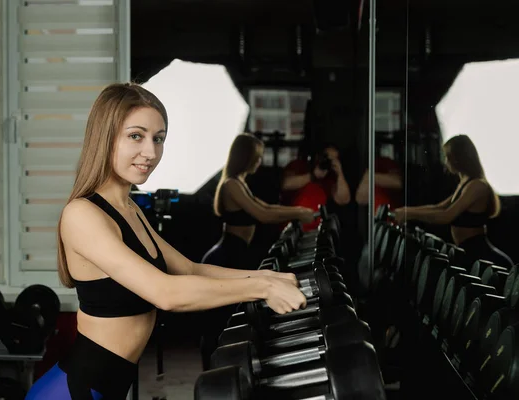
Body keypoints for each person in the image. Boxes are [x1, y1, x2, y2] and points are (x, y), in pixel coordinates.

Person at [25, 83, 307, 400]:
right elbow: (165, 293)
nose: (151, 152)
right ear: (106, 138)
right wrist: (262, 289)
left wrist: (268, 276)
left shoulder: (130, 209)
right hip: (74, 391)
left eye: (158, 139)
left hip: (110, 387)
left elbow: (188, 269)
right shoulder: (83, 214)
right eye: (136, 136)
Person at [199, 133, 316, 370]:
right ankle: (215, 377)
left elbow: (267, 207)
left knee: (229, 321)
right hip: (227, 254)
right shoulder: (231, 184)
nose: (259, 162)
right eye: (257, 157)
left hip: (237, 251)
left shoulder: (239, 182)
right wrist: (297, 213)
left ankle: (225, 373)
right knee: (219, 324)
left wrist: (299, 210)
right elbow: (262, 215)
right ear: (245, 157)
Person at [394, 134, 513, 268]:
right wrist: (406, 210)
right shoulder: (465, 182)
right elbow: (439, 207)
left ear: (459, 158)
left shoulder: (477, 185)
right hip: (469, 250)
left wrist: (409, 214)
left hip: (481, 255)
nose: (446, 162)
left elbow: (447, 215)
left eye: (448, 157)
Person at [280, 144, 351, 231]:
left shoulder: (329, 178)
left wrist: (339, 173)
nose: (328, 161)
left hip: (315, 231)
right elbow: (285, 184)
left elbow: (343, 200)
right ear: (318, 156)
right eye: (326, 157)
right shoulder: (299, 166)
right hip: (291, 228)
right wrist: (313, 176)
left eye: (333, 159)